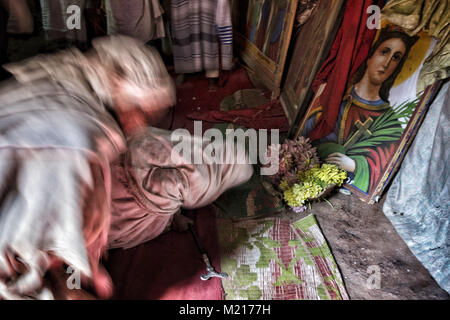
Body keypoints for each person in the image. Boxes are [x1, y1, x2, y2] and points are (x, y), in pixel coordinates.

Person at [0, 34, 252, 300]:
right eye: (139, 111)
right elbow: (32, 242)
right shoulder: (76, 140)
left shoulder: (65, 78)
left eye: (151, 116)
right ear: (116, 82)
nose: (137, 126)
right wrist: (67, 278)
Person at [302, 28, 418, 193]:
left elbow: (379, 165)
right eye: (384, 52)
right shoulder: (337, 94)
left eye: (396, 58)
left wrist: (354, 165)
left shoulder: (389, 123)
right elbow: (308, 129)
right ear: (370, 56)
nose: (387, 63)